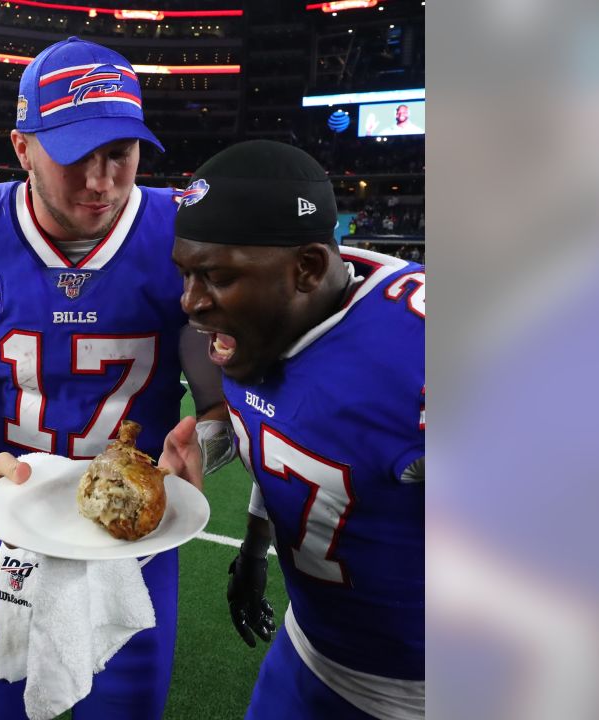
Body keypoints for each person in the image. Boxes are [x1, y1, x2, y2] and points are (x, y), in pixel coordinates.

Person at [0, 36, 229, 720]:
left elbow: (217, 410)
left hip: (133, 547)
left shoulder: (181, 234)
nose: (101, 181)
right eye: (76, 156)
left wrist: (211, 445)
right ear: (22, 147)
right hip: (11, 533)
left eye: (120, 154)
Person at [172, 140, 425, 719]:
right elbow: (284, 439)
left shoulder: (423, 354)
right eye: (185, 273)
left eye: (214, 276)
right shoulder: (256, 324)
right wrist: (255, 551)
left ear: (307, 268)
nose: (191, 303)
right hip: (308, 653)